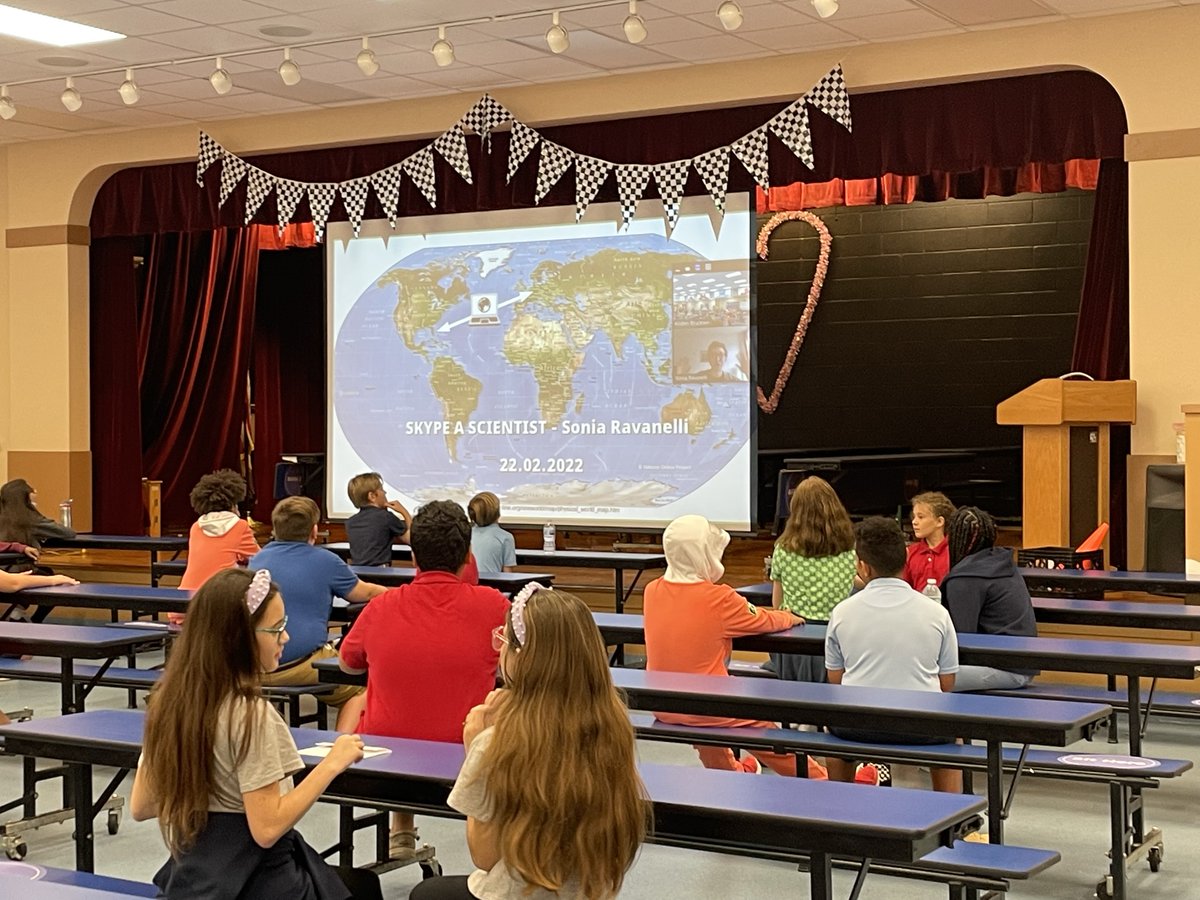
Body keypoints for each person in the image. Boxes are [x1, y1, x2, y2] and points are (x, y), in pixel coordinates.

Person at [131, 568, 380, 900]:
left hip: (194, 878)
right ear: (239, 638)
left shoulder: (169, 703)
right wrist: (331, 764)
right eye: (276, 629)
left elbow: (142, 805)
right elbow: (267, 829)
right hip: (259, 883)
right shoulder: (251, 715)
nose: (286, 637)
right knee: (361, 887)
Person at [410, 586, 648, 900]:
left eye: (505, 640)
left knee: (425, 894)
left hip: (515, 894)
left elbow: (484, 856)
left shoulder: (499, 742)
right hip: (589, 892)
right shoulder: (612, 728)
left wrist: (476, 751)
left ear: (523, 658)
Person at [339, 499, 509, 861]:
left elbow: (348, 665)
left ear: (413, 556)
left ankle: (400, 825)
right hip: (466, 764)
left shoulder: (381, 607)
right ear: (468, 556)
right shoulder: (494, 606)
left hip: (383, 768)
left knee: (373, 701)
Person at [643, 514, 824, 778]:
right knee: (763, 728)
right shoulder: (719, 598)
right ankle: (822, 780)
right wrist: (790, 616)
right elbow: (763, 619)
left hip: (663, 704)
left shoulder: (652, 590)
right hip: (706, 706)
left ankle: (732, 771)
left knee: (706, 718)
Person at [824, 517, 962, 793]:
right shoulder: (937, 613)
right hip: (922, 726)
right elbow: (947, 683)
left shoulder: (842, 612)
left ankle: (837, 803)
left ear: (863, 566)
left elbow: (835, 680)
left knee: (833, 728)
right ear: (906, 560)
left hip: (856, 724)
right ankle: (951, 817)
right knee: (952, 736)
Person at [249, 497, 385, 730]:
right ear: (314, 531)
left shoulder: (258, 559)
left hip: (256, 664)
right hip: (301, 664)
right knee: (363, 689)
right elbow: (362, 592)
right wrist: (397, 593)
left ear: (275, 529)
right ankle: (340, 752)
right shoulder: (326, 560)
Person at [768, 476, 857, 683]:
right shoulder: (848, 547)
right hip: (838, 639)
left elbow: (777, 603)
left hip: (793, 643)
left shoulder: (783, 549)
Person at [942, 507, 1038, 691]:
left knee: (918, 676)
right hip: (1022, 664)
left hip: (1002, 668)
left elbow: (960, 638)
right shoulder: (1001, 562)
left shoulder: (966, 578)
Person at [178, 470, 259, 621]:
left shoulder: (196, 527)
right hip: (217, 603)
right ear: (233, 505)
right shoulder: (239, 525)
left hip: (186, 602)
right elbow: (258, 557)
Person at [0, 479, 79, 622]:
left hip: (4, 571)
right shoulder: (29, 518)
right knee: (49, 578)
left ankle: (17, 611)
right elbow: (67, 533)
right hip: (17, 570)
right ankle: (30, 618)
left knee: (46, 572)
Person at [344, 472, 411, 567]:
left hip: (358, 574)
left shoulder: (350, 522)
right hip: (381, 575)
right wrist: (405, 513)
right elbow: (412, 540)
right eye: (382, 490)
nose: (385, 493)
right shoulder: (386, 517)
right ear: (372, 496)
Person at [902, 491, 956, 592]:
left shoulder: (955, 552)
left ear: (939, 521)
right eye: (914, 517)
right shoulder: (910, 552)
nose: (914, 522)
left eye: (921, 517)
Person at [467, 492, 516, 575]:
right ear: (497, 513)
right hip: (492, 585)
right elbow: (508, 574)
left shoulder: (465, 535)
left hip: (468, 584)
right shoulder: (506, 538)